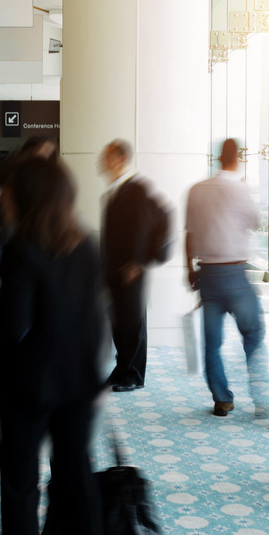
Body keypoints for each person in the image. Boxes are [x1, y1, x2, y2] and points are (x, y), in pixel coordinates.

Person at [0, 156, 105, 535]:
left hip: (27, 389)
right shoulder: (86, 244)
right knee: (78, 486)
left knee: (20, 494)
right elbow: (94, 321)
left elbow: (8, 330)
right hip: (76, 385)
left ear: (23, 196)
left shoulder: (20, 248)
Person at [184, 138, 269, 418]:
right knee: (253, 335)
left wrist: (189, 269)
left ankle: (222, 400)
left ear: (217, 158)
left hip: (207, 275)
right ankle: (263, 402)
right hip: (235, 274)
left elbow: (188, 235)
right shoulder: (238, 188)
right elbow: (256, 221)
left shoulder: (196, 190)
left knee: (212, 343)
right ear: (237, 158)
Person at [100, 139, 171, 393]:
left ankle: (134, 375)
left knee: (133, 322)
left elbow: (149, 224)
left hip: (131, 270)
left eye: (106, 156)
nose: (102, 162)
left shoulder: (137, 189)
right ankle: (122, 370)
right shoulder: (116, 191)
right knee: (118, 322)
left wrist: (139, 262)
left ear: (118, 159)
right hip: (114, 270)